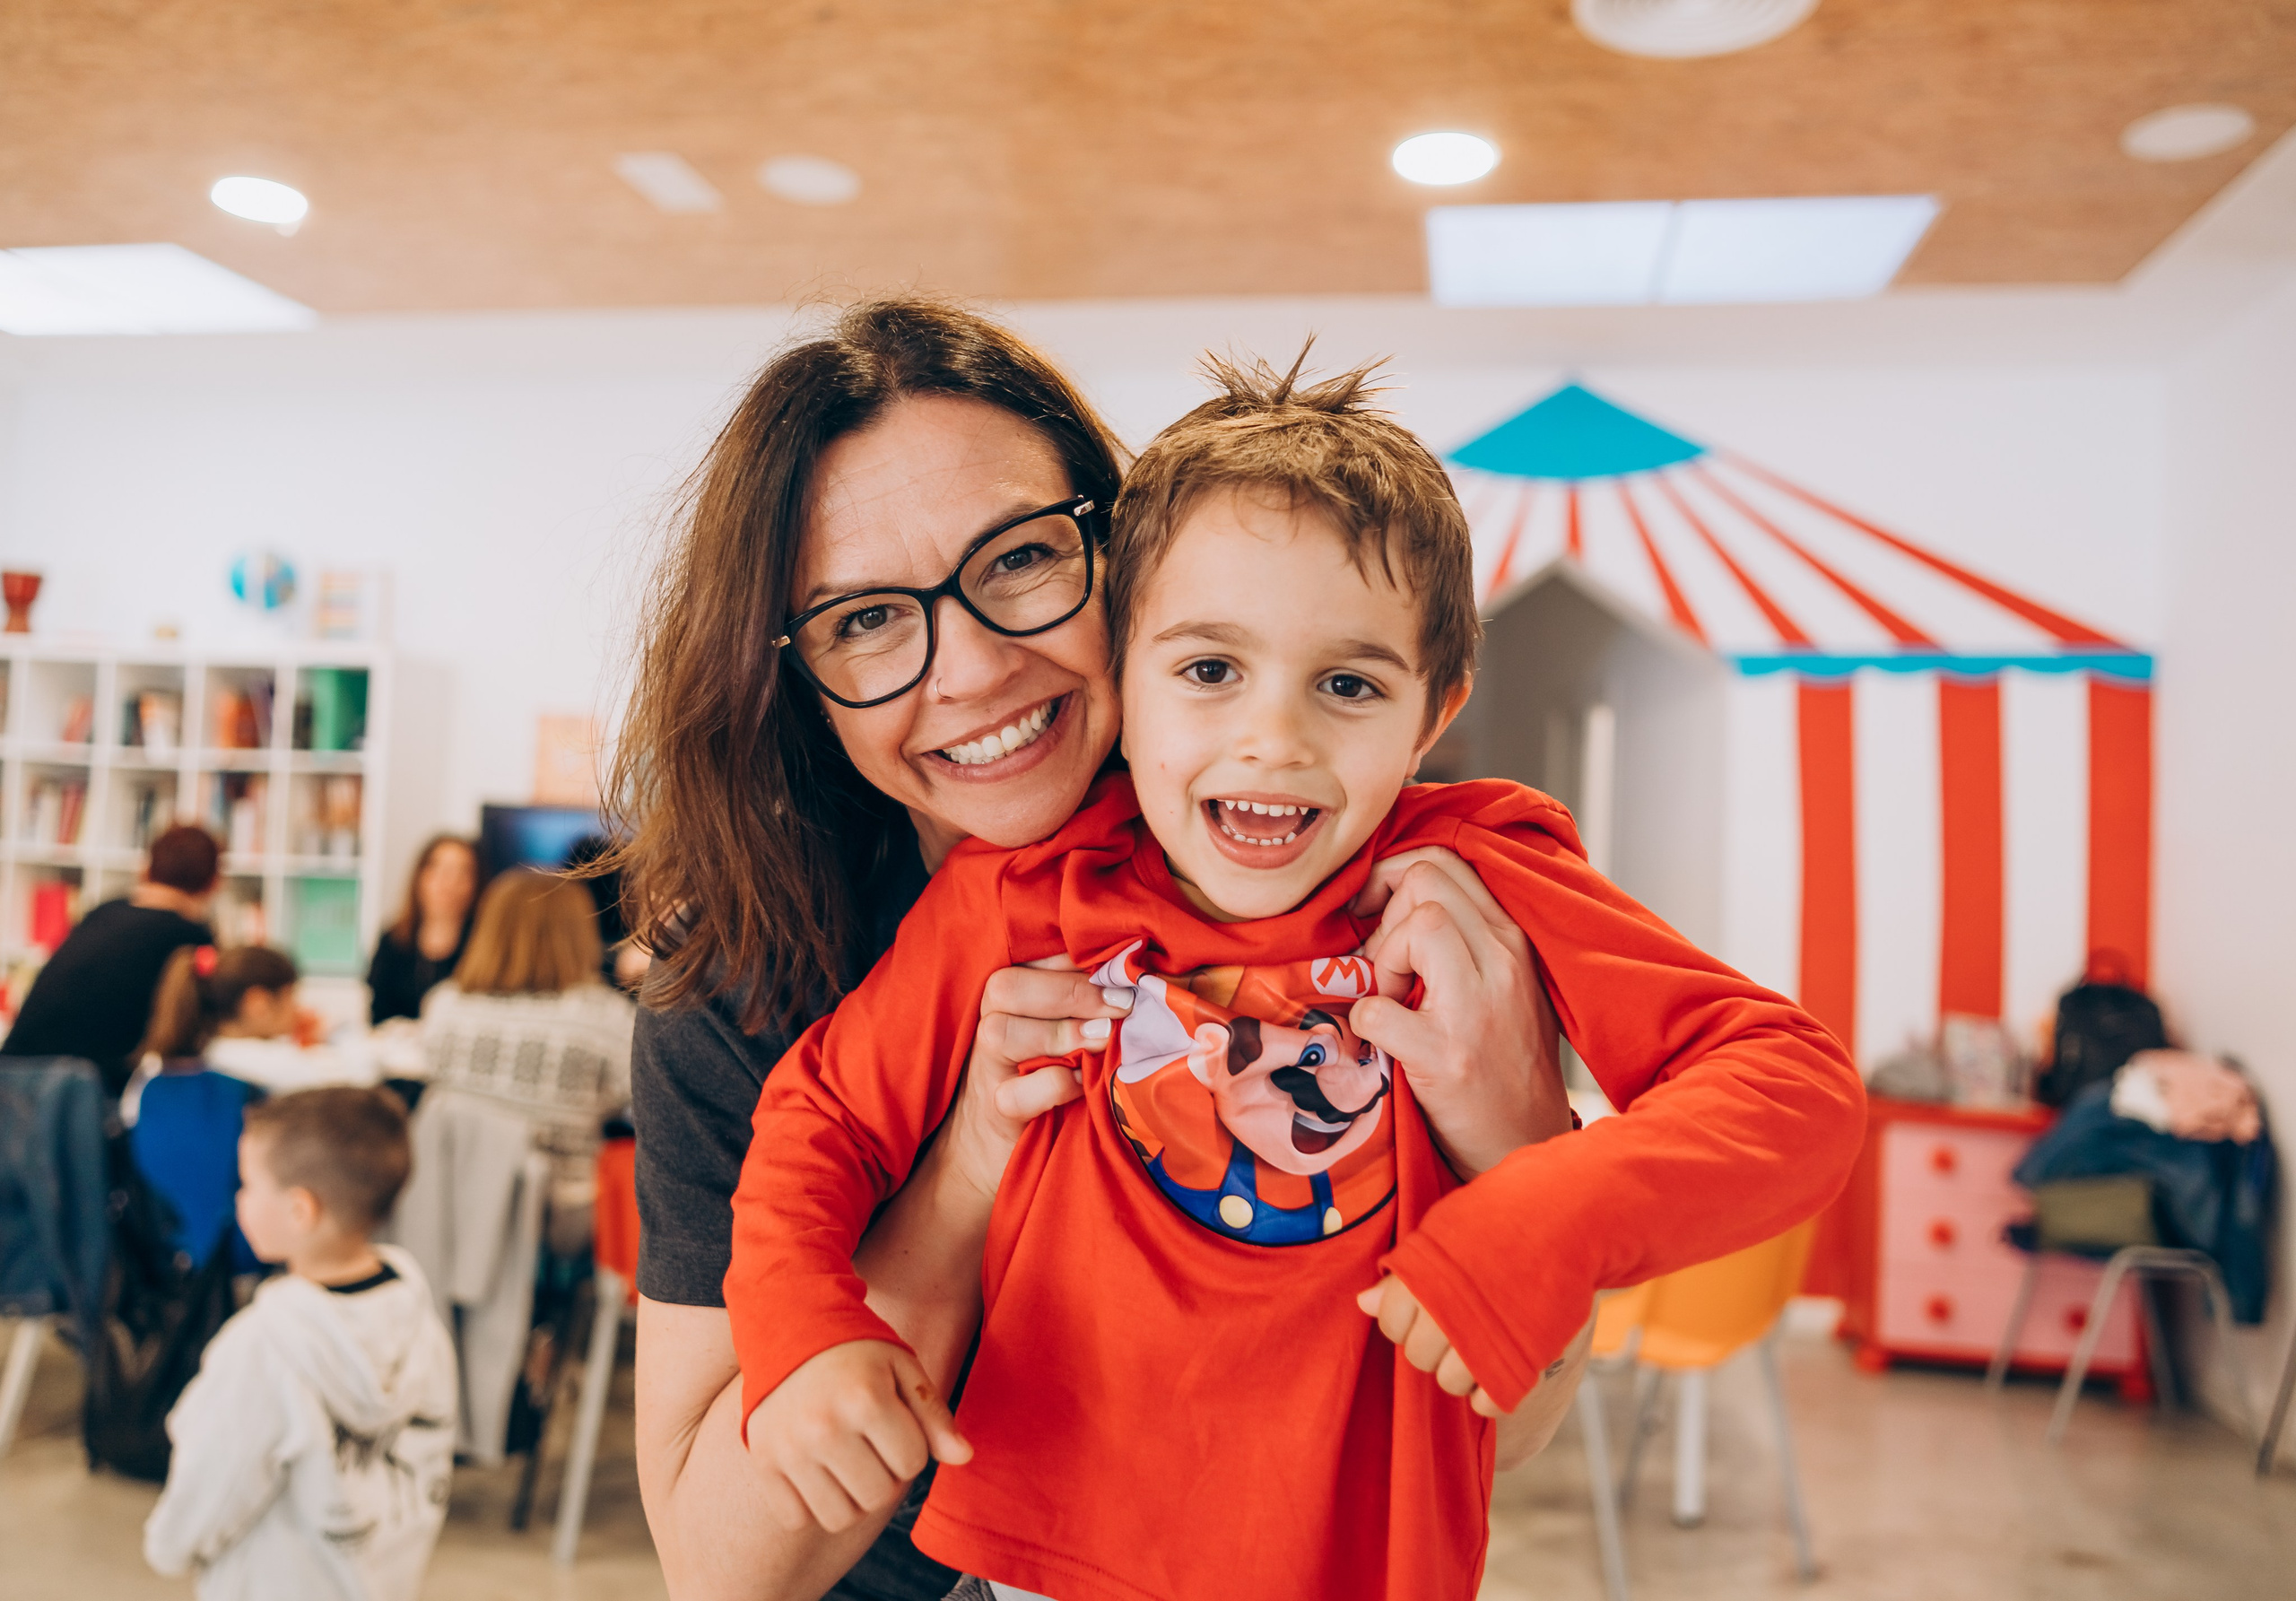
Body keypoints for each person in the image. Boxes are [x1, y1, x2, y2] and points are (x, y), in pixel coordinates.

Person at [723, 354, 1866, 1600]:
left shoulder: (1479, 873)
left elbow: (1794, 1086)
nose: (1275, 737)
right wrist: (801, 1332)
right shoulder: (1026, 893)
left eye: (1348, 683)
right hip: (1049, 1560)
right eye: (1209, 670)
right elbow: (820, 1114)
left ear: (1436, 709)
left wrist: (1541, 1212)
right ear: (1125, 669)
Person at [609, 299, 1573, 1601]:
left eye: (1015, 560)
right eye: (865, 621)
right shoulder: (742, 985)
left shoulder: (1352, 882)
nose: (970, 670)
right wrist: (963, 1173)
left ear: (1126, 554)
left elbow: (1506, 1431)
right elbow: (727, 1572)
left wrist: (1518, 1142)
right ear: (794, 677)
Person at [143, 1085, 457, 1601]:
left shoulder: (261, 1348)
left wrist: (167, 1547)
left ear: (299, 1210)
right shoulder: (421, 1323)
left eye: (246, 1184)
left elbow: (214, 1479)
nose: (238, 1198)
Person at [421, 866, 636, 1201]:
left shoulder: (443, 1007)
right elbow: (643, 1107)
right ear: (580, 933)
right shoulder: (606, 1019)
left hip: (456, 1207)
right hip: (558, 1222)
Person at [2, 823, 220, 1095]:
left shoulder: (104, 911)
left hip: (11, 1075)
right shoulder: (191, 937)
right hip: (77, 1096)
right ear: (214, 883)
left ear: (146, 870)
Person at [366, 833, 481, 1025]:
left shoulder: (485, 945)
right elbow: (377, 1012)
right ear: (420, 876)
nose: (450, 883)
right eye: (440, 870)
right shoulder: (393, 939)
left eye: (462, 873)